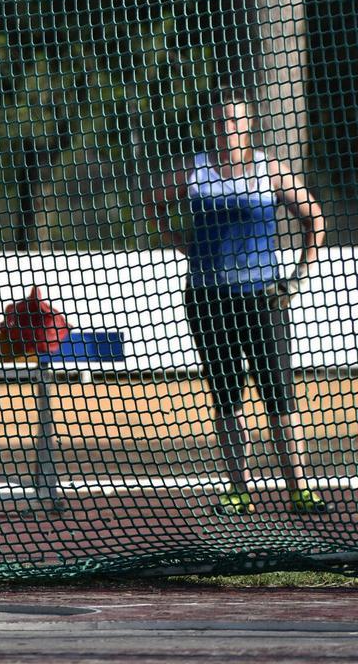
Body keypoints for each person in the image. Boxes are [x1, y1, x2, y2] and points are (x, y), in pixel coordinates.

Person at [147, 95, 329, 516]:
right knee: (226, 395)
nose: (227, 127)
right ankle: (239, 489)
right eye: (221, 119)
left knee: (279, 395)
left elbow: (314, 219)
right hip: (208, 298)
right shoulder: (196, 170)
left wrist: (299, 275)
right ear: (212, 125)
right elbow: (154, 202)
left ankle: (298, 488)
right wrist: (180, 243)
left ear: (249, 124)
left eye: (234, 120)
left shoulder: (270, 170)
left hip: (263, 299)